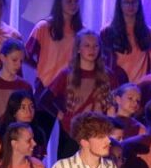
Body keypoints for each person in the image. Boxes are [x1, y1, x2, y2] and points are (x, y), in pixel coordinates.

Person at [40, 29, 126, 159]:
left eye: (95, 46)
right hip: (71, 134)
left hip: (98, 134)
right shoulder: (67, 75)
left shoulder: (108, 76)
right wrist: (62, 116)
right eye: (87, 45)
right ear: (78, 49)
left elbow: (112, 105)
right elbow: (44, 99)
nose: (92, 50)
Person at [25, 0, 83, 93]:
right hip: (45, 86)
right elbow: (26, 55)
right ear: (59, 2)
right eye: (69, 1)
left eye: (76, 1)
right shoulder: (43, 27)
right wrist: (39, 67)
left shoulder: (81, 31)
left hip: (71, 89)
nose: (74, 4)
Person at [101, 0, 151, 83]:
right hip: (116, 89)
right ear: (120, 4)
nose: (130, 5)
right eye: (126, 2)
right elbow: (102, 63)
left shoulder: (149, 33)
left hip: (139, 89)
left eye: (134, 1)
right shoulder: (107, 31)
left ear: (139, 3)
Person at [0, 90, 47, 164]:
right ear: (13, 111)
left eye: (32, 106)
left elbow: (42, 159)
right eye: (23, 107)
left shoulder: (39, 133)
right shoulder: (1, 134)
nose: (29, 111)